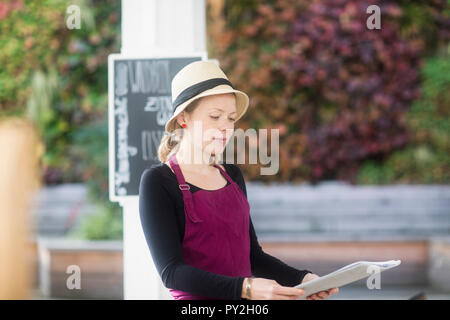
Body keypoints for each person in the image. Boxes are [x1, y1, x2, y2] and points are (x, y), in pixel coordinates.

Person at [138, 61, 339, 300]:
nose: (226, 128)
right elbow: (171, 272)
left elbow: (253, 256)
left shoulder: (231, 175)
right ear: (184, 119)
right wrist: (246, 288)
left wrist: (303, 279)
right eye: (215, 117)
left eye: (231, 118)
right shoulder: (158, 182)